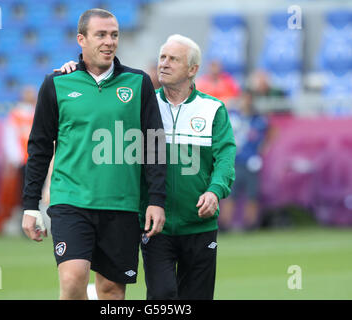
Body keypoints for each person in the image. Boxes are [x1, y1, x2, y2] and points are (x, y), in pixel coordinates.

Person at [60, 33, 236, 300]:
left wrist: (215, 190)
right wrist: (76, 69)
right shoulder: (139, 102)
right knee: (162, 295)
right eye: (162, 57)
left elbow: (225, 157)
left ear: (192, 69)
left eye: (173, 59)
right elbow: (100, 98)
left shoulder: (212, 109)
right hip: (154, 224)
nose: (163, 63)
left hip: (199, 225)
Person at [22, 8, 166, 300]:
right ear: (81, 39)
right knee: (74, 280)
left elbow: (154, 145)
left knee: (111, 291)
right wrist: (30, 204)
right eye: (100, 34)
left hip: (122, 204)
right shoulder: (57, 84)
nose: (109, 41)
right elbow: (38, 146)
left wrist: (156, 200)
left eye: (114, 35)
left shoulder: (138, 84)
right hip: (70, 200)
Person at [218, 89, 268, 231]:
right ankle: (224, 224)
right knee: (229, 195)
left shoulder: (258, 119)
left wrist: (260, 151)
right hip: (233, 161)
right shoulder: (231, 115)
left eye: (248, 99)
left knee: (252, 195)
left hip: (251, 163)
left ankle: (250, 224)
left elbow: (269, 134)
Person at [0, 85, 37, 233]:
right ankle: (24, 222)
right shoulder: (16, 115)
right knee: (24, 192)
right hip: (24, 160)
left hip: (38, 159)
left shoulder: (37, 112)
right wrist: (16, 157)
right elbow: (10, 138)